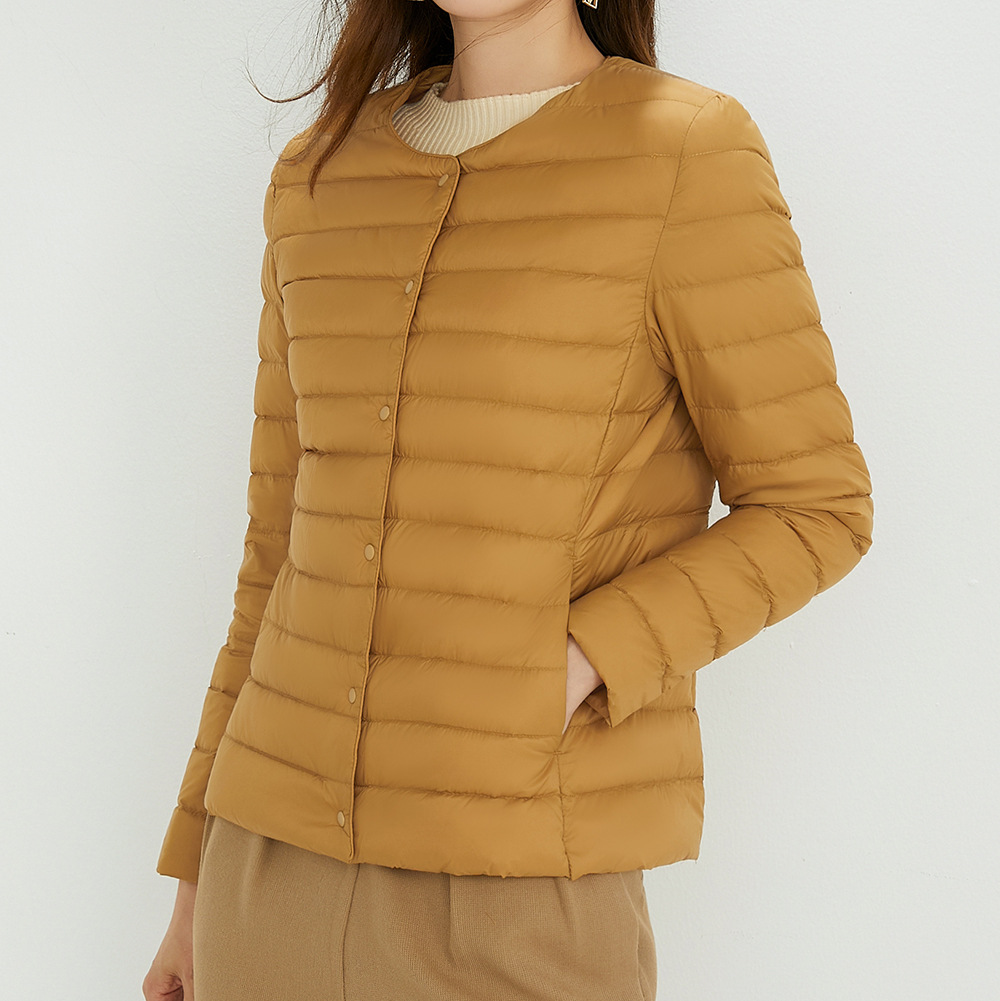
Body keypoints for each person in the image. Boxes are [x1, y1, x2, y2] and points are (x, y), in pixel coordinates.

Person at [143, 1, 874, 998]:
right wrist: (193, 880)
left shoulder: (683, 151)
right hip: (265, 876)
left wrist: (578, 661)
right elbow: (276, 553)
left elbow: (815, 506)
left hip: (519, 880)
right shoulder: (321, 172)